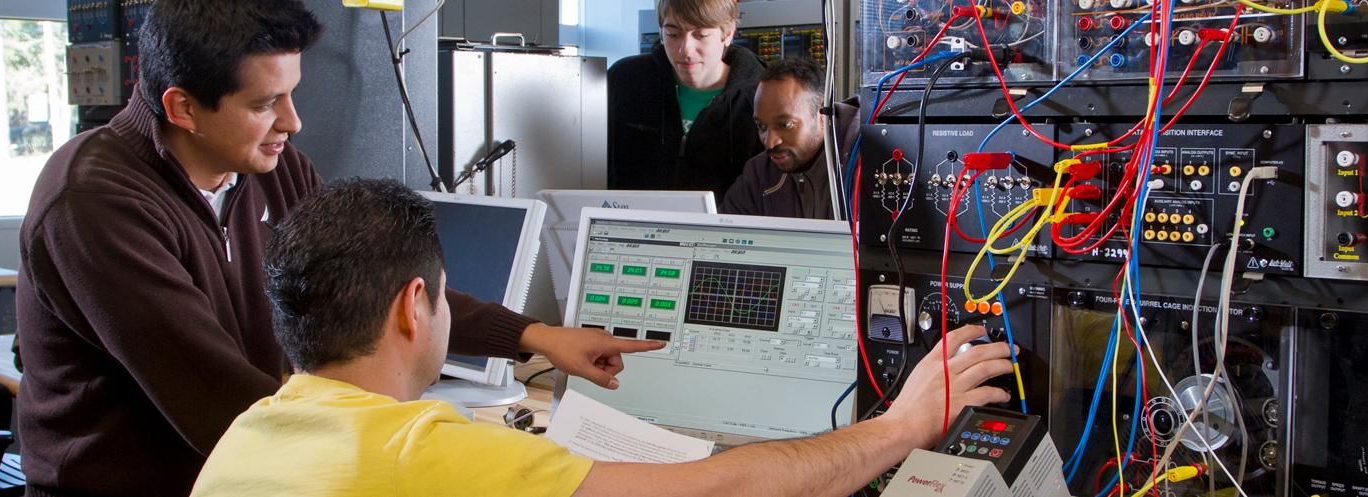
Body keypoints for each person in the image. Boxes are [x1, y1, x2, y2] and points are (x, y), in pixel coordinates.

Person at [16, 2, 660, 495]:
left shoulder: (276, 169)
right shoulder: (94, 204)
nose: (292, 122)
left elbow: (381, 286)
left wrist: (537, 335)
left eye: (292, 93)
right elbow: (221, 406)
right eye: (266, 103)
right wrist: (433, 453)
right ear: (182, 107)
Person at [190, 179, 1017, 497]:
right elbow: (721, 492)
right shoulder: (423, 452)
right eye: (447, 297)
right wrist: (903, 426)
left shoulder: (243, 437)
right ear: (415, 306)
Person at [608, 0, 766, 196]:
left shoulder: (762, 97)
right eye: (673, 34)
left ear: (727, 33)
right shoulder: (623, 81)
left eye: (700, 35)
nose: (685, 50)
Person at [721, 58, 858, 220]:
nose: (770, 142)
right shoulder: (759, 174)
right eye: (761, 126)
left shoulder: (869, 161)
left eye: (785, 125)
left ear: (823, 112)